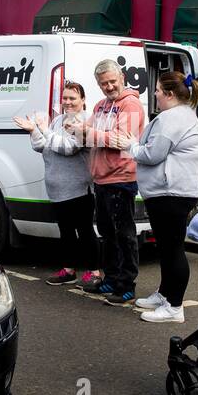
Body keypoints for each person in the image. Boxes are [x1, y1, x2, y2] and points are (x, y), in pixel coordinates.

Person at [116, 71, 198, 324]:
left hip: (171, 193)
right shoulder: (180, 116)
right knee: (167, 248)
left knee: (173, 248)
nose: (154, 93)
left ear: (169, 94)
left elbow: (153, 154)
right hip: (170, 192)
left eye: (157, 90)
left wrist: (131, 146)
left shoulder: (172, 118)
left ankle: (174, 307)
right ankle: (165, 294)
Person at [68, 59, 146, 305]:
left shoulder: (131, 104)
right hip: (101, 178)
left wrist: (86, 133)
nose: (109, 86)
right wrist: (80, 128)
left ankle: (126, 285)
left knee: (123, 234)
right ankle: (111, 279)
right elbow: (88, 130)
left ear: (122, 77)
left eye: (113, 81)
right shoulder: (101, 105)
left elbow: (122, 139)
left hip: (121, 178)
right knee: (107, 233)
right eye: (104, 83)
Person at [14, 81, 101, 288]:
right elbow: (43, 147)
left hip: (79, 189)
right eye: (65, 98)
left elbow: (68, 148)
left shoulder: (85, 122)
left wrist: (45, 130)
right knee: (66, 232)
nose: (68, 102)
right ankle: (69, 270)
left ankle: (94, 272)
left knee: (85, 231)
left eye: (72, 98)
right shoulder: (58, 121)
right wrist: (34, 131)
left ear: (83, 100)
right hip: (57, 189)